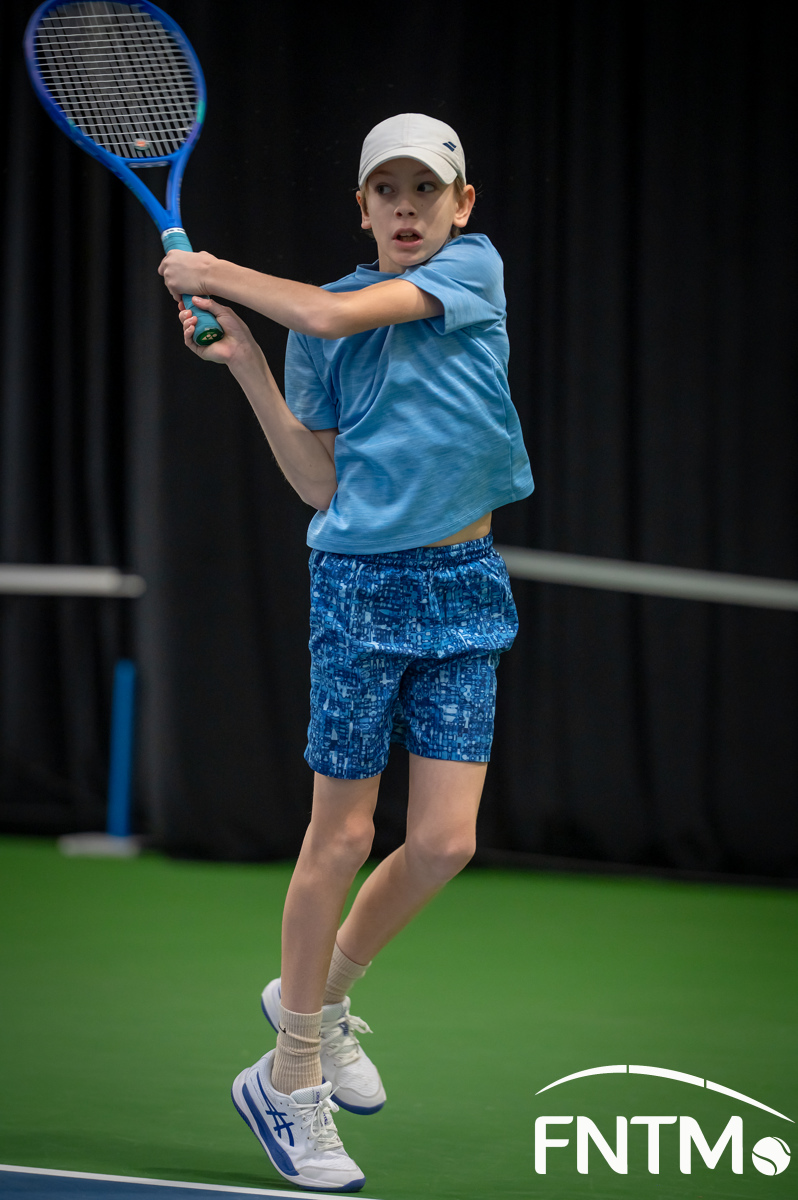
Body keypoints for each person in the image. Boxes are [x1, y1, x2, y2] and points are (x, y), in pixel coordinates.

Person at [159, 112, 534, 1193]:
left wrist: (213, 272)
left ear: (462, 207)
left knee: (445, 842)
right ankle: (289, 1078)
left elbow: (325, 309)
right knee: (345, 833)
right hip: (361, 587)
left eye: (427, 190)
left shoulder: (470, 273)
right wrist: (245, 360)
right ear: (362, 207)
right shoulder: (316, 322)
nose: (408, 208)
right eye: (388, 192)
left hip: (466, 581)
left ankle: (316, 999)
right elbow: (319, 481)